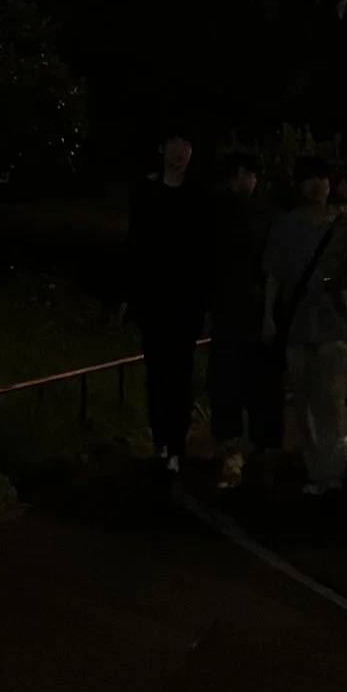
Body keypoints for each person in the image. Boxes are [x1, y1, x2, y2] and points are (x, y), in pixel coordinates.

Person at [265, 160, 347, 496]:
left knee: (331, 399)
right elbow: (273, 274)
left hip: (335, 324)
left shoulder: (344, 225)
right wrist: (269, 316)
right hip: (298, 325)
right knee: (304, 402)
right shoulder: (286, 226)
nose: (318, 185)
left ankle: (334, 468)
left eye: (323, 178)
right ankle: (315, 469)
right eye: (311, 179)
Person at [125, 132, 207, 472]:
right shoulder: (147, 194)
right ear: (161, 148)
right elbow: (135, 245)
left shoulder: (199, 196)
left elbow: (206, 250)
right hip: (154, 301)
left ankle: (176, 443)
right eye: (174, 144)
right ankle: (162, 439)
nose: (180, 152)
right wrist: (131, 295)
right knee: (157, 373)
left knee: (181, 373)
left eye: (186, 145)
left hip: (186, 301)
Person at [206, 148, 280, 480]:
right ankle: (237, 446)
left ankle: (253, 445)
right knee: (234, 380)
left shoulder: (262, 213)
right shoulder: (223, 210)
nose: (247, 180)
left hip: (248, 306)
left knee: (253, 380)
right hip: (233, 307)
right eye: (242, 173)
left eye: (250, 174)